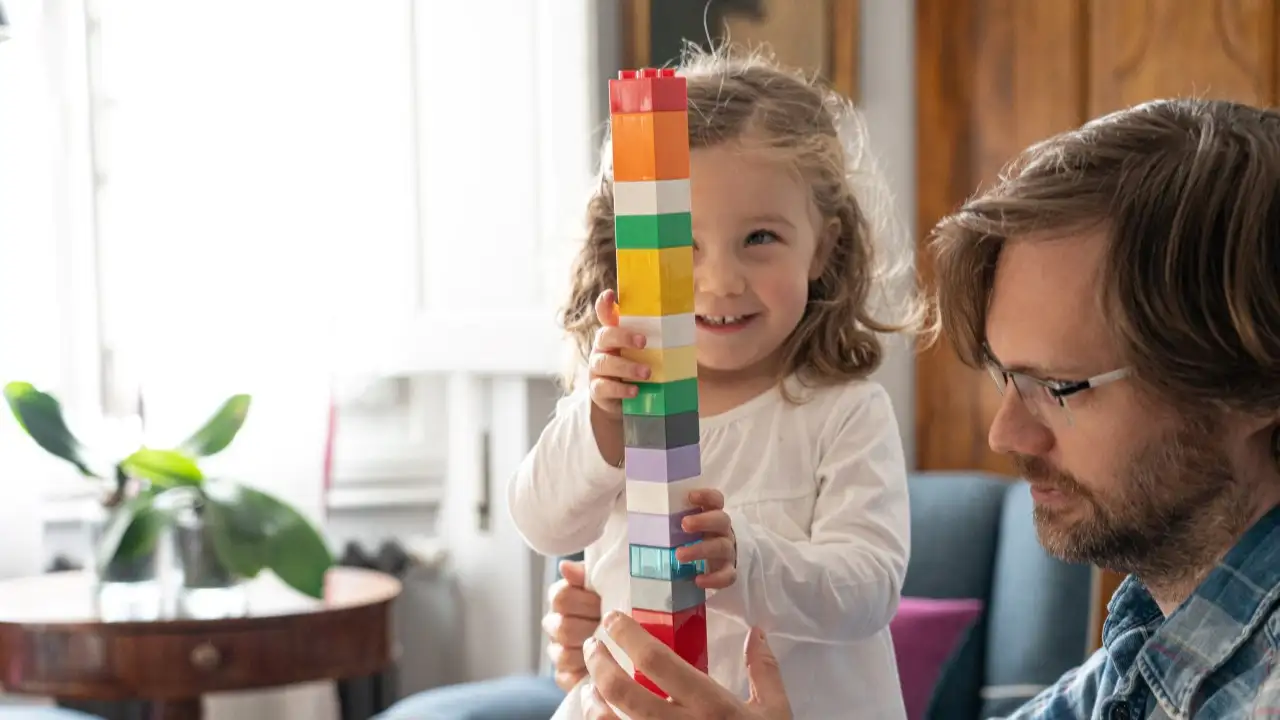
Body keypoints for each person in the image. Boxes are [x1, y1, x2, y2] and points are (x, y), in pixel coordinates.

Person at [570, 96, 1280, 719]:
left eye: (1062, 388)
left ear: (1253, 387)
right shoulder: (1154, 649)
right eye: (1005, 377)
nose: (1007, 432)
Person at [508, 45, 921, 720]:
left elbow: (869, 587)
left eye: (760, 237)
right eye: (680, 246)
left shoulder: (846, 414)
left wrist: (747, 561)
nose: (720, 281)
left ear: (823, 246)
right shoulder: (618, 393)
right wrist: (600, 423)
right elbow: (541, 520)